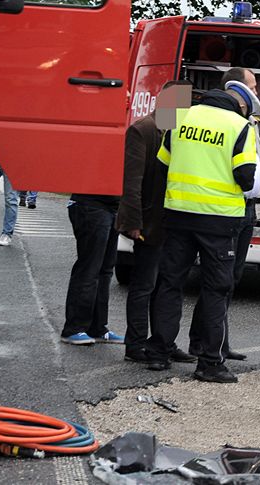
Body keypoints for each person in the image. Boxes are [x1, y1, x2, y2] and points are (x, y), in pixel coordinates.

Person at [144, 79, 258, 384]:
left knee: (170, 284)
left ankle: (159, 352)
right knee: (216, 290)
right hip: (219, 221)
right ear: (241, 105)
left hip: (179, 215)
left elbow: (162, 164)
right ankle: (209, 362)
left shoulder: (181, 117)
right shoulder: (240, 126)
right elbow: (246, 178)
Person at [188, 67, 260, 362]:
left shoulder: (250, 121)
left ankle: (214, 340)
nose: (256, 92)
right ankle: (208, 344)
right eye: (253, 86)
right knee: (220, 281)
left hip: (247, 208)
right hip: (231, 207)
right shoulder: (232, 123)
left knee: (229, 280)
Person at [116, 81, 195, 364]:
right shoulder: (142, 130)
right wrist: (133, 223)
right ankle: (135, 344)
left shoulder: (178, 133)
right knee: (144, 286)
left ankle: (162, 341)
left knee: (166, 287)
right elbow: (132, 182)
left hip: (173, 224)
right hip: (149, 224)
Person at [60, 190, 124, 346]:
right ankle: (73, 328)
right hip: (90, 205)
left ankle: (97, 328)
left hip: (112, 207)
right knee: (89, 268)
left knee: (105, 270)